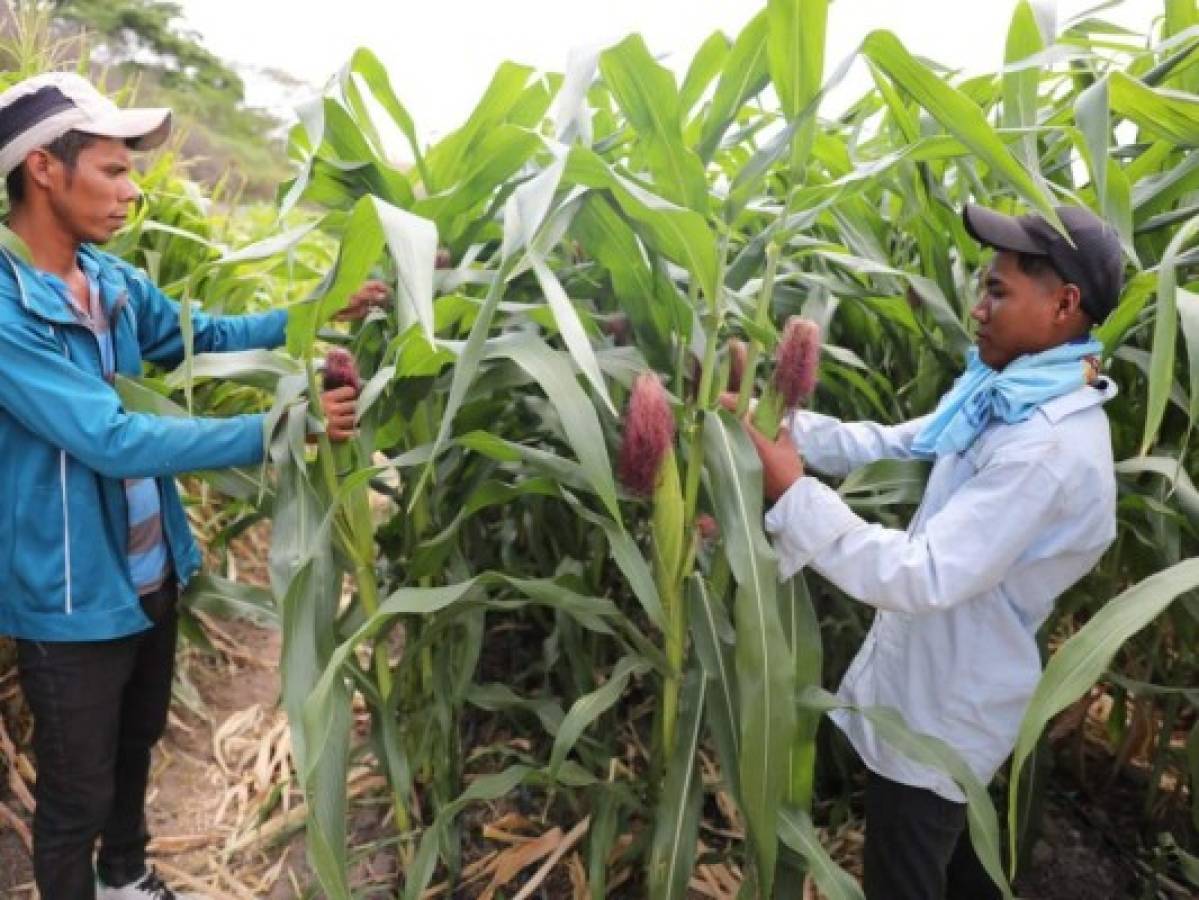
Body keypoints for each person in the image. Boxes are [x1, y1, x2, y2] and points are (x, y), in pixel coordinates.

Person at [0, 72, 388, 900]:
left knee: (138, 745)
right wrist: (281, 430)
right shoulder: (7, 310)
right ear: (42, 168)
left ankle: (127, 877)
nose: (131, 192)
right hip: (70, 596)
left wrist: (320, 309)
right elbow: (108, 439)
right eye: (112, 171)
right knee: (75, 796)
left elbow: (201, 335)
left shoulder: (108, 281)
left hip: (151, 570)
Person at [729, 203, 1123, 900]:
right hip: (934, 692)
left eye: (997, 291)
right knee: (962, 869)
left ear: (1064, 304)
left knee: (907, 874)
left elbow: (923, 573)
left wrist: (789, 490)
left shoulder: (1044, 448)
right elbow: (895, 443)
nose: (976, 309)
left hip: (942, 715)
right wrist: (778, 420)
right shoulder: (1004, 398)